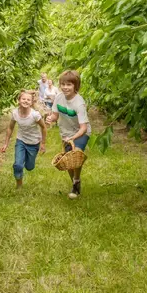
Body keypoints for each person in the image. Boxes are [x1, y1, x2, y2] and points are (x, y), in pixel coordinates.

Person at [45, 70, 90, 199]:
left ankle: (76, 181)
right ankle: (75, 182)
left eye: (69, 84)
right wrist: (50, 119)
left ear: (76, 86)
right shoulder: (59, 97)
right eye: (63, 84)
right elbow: (55, 115)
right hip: (65, 133)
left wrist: (73, 137)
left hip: (80, 133)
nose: (65, 87)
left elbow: (84, 127)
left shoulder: (79, 103)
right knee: (68, 161)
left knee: (76, 153)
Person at [0, 90, 47, 189]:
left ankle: (26, 159)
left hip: (34, 143)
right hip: (21, 141)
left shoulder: (35, 115)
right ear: (19, 100)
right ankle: (19, 184)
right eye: (23, 99)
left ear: (32, 102)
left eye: (28, 100)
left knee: (30, 167)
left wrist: (43, 143)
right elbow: (10, 128)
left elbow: (43, 128)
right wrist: (6, 144)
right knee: (18, 165)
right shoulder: (15, 113)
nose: (26, 101)